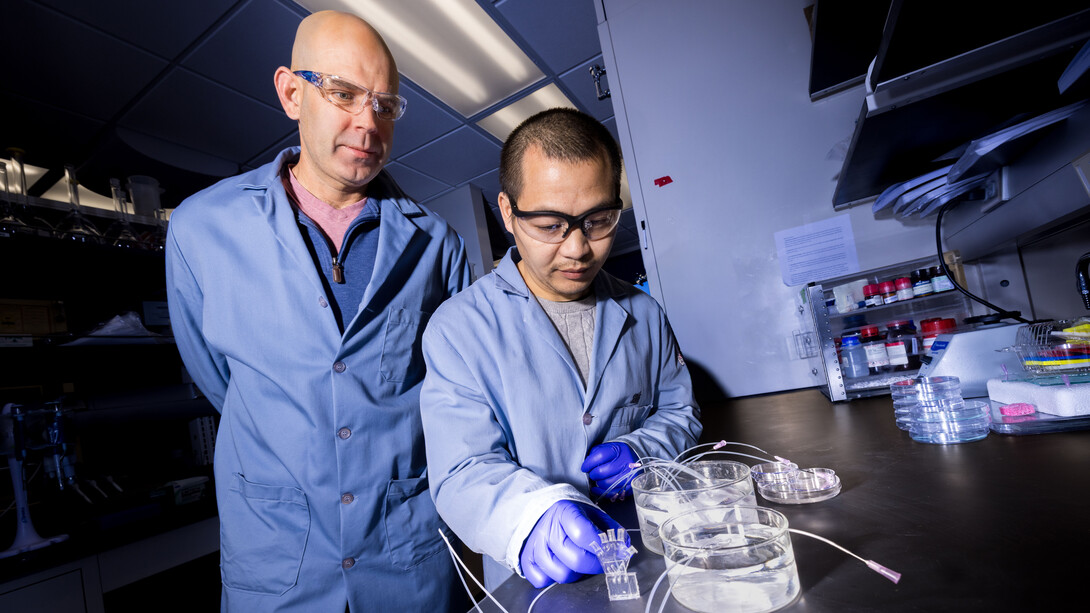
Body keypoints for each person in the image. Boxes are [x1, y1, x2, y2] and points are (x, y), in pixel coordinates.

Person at [165, 11, 471, 612]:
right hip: (281, 567)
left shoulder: (438, 245)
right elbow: (220, 380)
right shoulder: (203, 228)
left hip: (407, 562)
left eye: (385, 105)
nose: (367, 122)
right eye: (344, 93)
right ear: (291, 92)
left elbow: (455, 397)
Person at [419, 108, 702, 590]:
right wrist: (533, 516)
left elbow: (682, 415)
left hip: (651, 553)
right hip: (536, 581)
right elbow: (461, 470)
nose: (577, 249)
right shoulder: (458, 328)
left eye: (598, 221)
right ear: (508, 212)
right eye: (550, 224)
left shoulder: (645, 313)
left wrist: (642, 451)